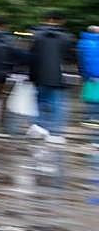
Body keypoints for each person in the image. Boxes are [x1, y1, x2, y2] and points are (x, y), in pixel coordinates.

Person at [29, 9, 73, 144]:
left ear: (45, 20)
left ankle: (39, 129)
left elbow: (31, 56)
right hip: (58, 76)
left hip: (39, 76)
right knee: (57, 105)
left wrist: (31, 76)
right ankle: (55, 133)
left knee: (40, 103)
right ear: (62, 21)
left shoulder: (36, 36)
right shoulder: (67, 37)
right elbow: (70, 58)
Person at [79, 25, 99, 128]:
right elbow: (90, 60)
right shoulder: (93, 43)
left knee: (92, 97)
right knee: (95, 97)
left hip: (89, 74)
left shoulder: (83, 42)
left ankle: (91, 118)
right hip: (95, 74)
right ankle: (92, 119)